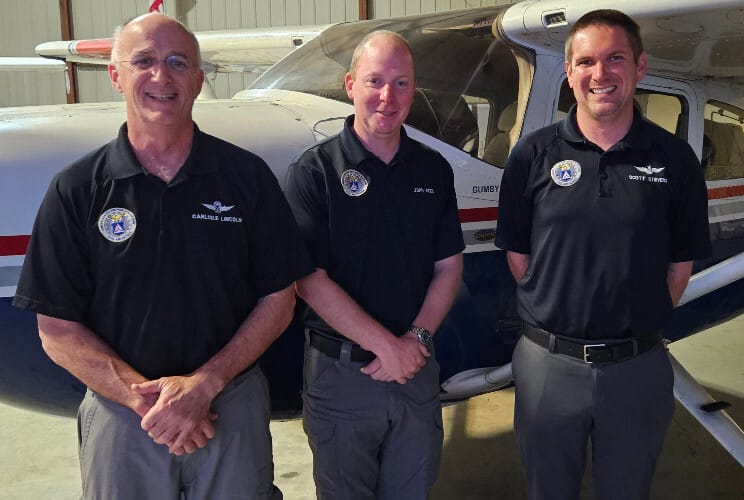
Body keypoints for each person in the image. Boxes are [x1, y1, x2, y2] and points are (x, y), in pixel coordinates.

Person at [12, 13, 312, 500]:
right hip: (124, 415)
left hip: (228, 403)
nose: (161, 75)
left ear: (197, 79)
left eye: (178, 62)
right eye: (143, 61)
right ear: (115, 75)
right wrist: (148, 403)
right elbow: (57, 329)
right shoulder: (77, 189)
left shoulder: (246, 177)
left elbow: (280, 298)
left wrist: (204, 386)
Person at [495, 9, 711, 500]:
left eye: (615, 58)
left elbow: (680, 265)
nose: (601, 73)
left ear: (640, 66)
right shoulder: (531, 155)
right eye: (587, 61)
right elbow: (519, 257)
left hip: (637, 368)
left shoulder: (674, 160)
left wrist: (631, 325)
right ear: (569, 73)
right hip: (547, 366)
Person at [283, 30, 465, 500]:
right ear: (350, 86)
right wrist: (387, 347)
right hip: (342, 377)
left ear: (414, 90)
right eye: (375, 81)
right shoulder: (314, 172)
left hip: (414, 370)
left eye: (401, 84)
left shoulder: (433, 169)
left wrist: (415, 341)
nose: (388, 96)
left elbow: (448, 266)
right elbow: (309, 280)